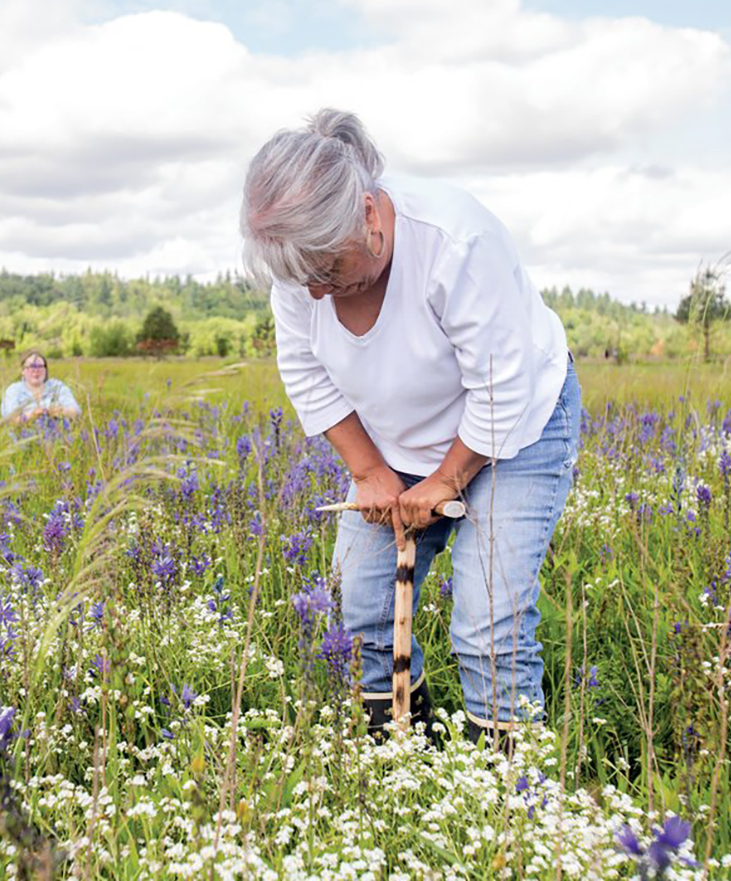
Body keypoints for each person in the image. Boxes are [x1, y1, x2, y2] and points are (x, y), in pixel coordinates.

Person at [241, 109, 580, 745]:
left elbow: (500, 387)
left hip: (516, 433)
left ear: (368, 214)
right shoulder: (300, 264)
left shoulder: (455, 240)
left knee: (488, 617)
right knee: (363, 609)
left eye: (326, 272)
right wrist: (370, 472)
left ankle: (510, 790)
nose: (315, 293)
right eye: (301, 279)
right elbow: (307, 372)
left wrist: (447, 480)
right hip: (397, 443)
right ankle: (400, 763)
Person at [0, 351, 80, 422]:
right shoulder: (14, 390)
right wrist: (32, 415)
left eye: (40, 366)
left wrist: (61, 411)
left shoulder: (57, 386)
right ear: (23, 371)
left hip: (56, 436)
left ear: (45, 370)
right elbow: (10, 419)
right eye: (31, 366)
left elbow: (76, 411)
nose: (36, 370)